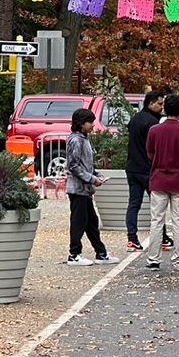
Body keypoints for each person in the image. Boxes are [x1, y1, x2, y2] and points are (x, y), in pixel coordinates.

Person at [143, 94, 179, 271]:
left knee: (157, 220)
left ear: (165, 109)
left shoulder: (154, 130)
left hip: (159, 178)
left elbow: (150, 154)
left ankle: (153, 259)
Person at [65, 108, 117, 267]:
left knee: (91, 222)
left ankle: (101, 253)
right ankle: (74, 254)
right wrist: (92, 179)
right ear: (81, 123)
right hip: (78, 189)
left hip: (84, 189)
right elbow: (73, 166)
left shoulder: (83, 139)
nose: (93, 125)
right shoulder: (76, 140)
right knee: (79, 222)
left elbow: (85, 165)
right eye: (90, 122)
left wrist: (96, 175)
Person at [124, 91, 164, 252]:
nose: (162, 107)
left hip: (132, 167)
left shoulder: (135, 119)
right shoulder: (153, 123)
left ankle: (132, 237)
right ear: (151, 103)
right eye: (159, 103)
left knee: (134, 203)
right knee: (158, 204)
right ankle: (163, 236)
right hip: (147, 168)